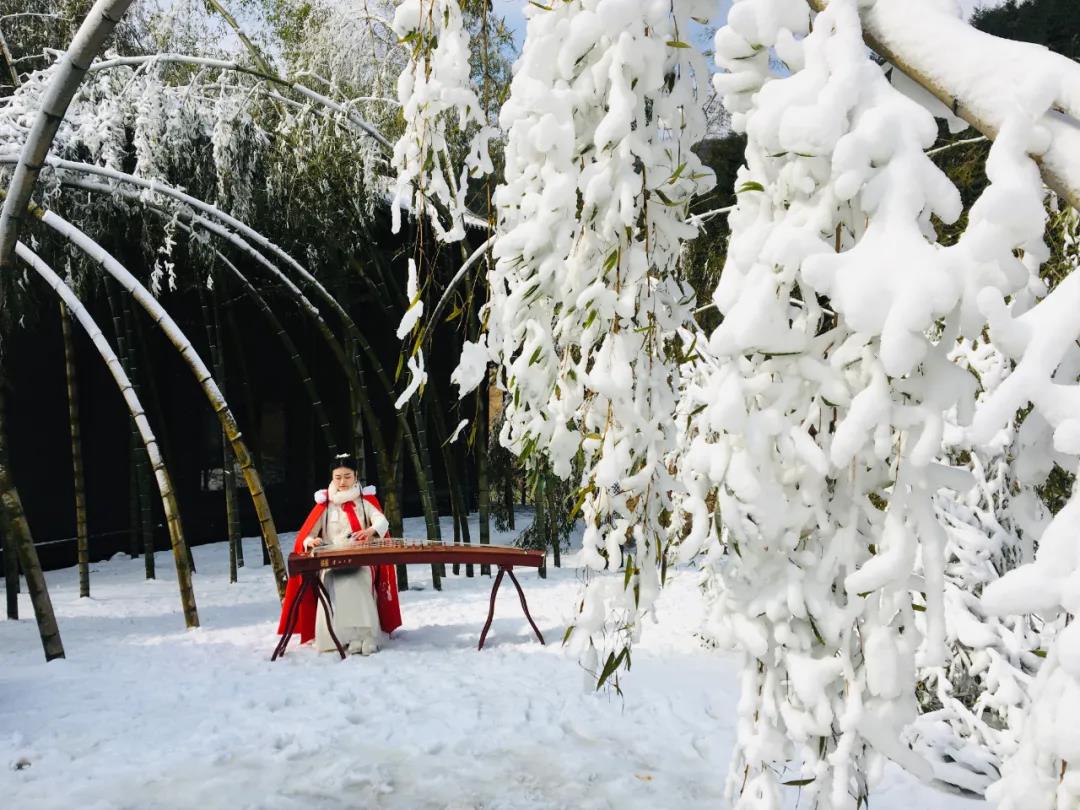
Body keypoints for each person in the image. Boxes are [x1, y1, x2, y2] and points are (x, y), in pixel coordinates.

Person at [277, 454, 402, 655]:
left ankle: (366, 636)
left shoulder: (364, 500)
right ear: (332, 477)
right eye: (338, 477)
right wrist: (311, 541)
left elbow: (381, 521)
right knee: (336, 582)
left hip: (362, 559)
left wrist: (370, 531)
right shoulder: (325, 504)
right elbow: (307, 535)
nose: (342, 482)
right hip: (331, 560)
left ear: (356, 476)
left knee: (358, 580)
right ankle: (345, 637)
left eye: (347, 476)